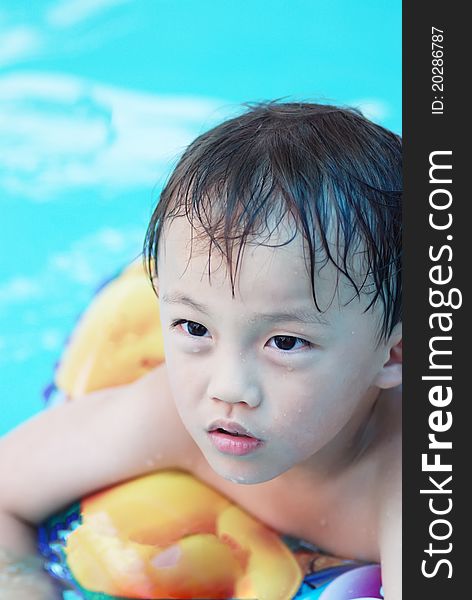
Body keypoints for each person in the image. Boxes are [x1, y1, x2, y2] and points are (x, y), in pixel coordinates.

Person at [0, 101, 402, 599]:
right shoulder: (167, 419)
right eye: (193, 328)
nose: (229, 386)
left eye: (285, 342)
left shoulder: (407, 490)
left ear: (394, 355)